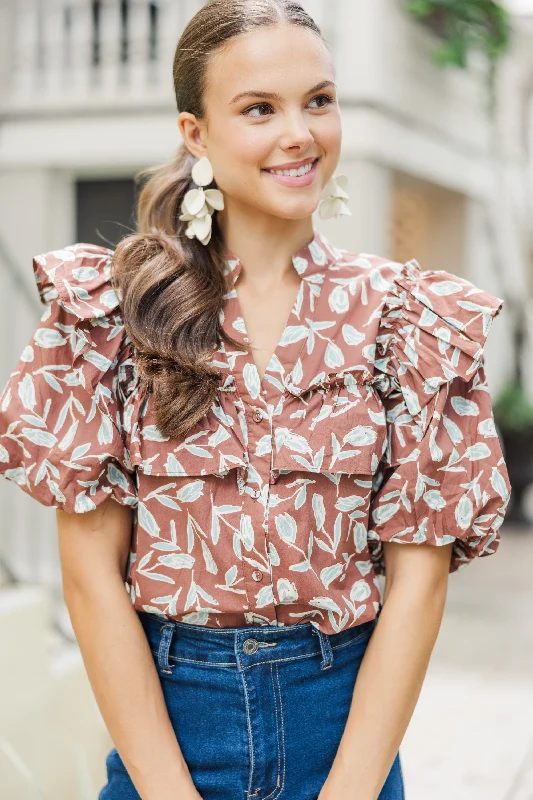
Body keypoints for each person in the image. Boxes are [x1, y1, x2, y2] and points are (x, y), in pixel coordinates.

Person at [0, 2, 511, 799]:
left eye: (318, 99)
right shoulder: (113, 312)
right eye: (258, 109)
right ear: (195, 133)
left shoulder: (407, 322)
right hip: (166, 736)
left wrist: (348, 790)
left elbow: (421, 580)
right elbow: (90, 578)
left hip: (344, 733)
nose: (299, 132)